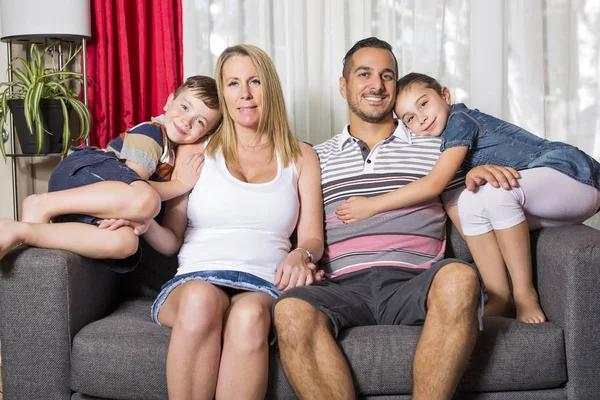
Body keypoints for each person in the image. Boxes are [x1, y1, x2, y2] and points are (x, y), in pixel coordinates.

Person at [273, 37, 488, 400]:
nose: (377, 85)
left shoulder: (436, 145)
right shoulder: (314, 158)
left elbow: (469, 219)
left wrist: (488, 178)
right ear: (344, 86)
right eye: (364, 74)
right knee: (291, 310)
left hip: (416, 282)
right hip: (342, 287)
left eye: (387, 76)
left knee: (460, 278)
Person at [137, 45, 324, 399]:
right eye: (233, 83)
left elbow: (312, 237)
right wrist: (142, 222)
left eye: (255, 82)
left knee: (250, 317)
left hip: (263, 284)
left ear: (270, 87)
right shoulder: (196, 151)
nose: (246, 94)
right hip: (196, 277)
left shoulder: (302, 156)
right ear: (222, 93)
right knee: (201, 300)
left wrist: (302, 255)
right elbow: (173, 238)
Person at [336, 72, 600, 323]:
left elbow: (434, 184)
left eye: (424, 104)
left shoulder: (460, 120)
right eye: (410, 118)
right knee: (471, 200)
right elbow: (466, 222)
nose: (422, 118)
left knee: (497, 190)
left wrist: (373, 205)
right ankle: (500, 296)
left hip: (573, 175)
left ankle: (524, 295)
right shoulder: (446, 150)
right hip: (550, 201)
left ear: (446, 95)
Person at [0, 76, 223, 269]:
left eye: (200, 121)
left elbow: (170, 245)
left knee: (125, 243)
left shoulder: (180, 163)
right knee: (145, 199)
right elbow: (130, 185)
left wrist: (146, 224)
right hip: (84, 170)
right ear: (169, 101)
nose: (187, 121)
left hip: (95, 202)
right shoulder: (153, 132)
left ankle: (23, 231)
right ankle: (42, 203)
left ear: (206, 134)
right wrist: (180, 185)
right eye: (185, 107)